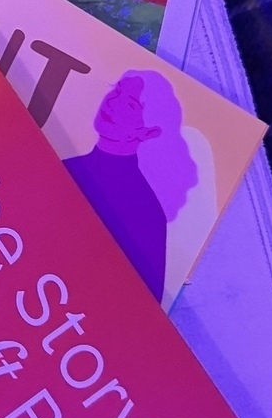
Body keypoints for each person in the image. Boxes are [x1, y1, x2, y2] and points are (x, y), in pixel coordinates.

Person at [62, 71, 197, 302]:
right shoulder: (65, 166)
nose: (113, 102)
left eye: (131, 105)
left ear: (148, 132)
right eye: (117, 90)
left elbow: (140, 309)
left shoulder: (146, 214)